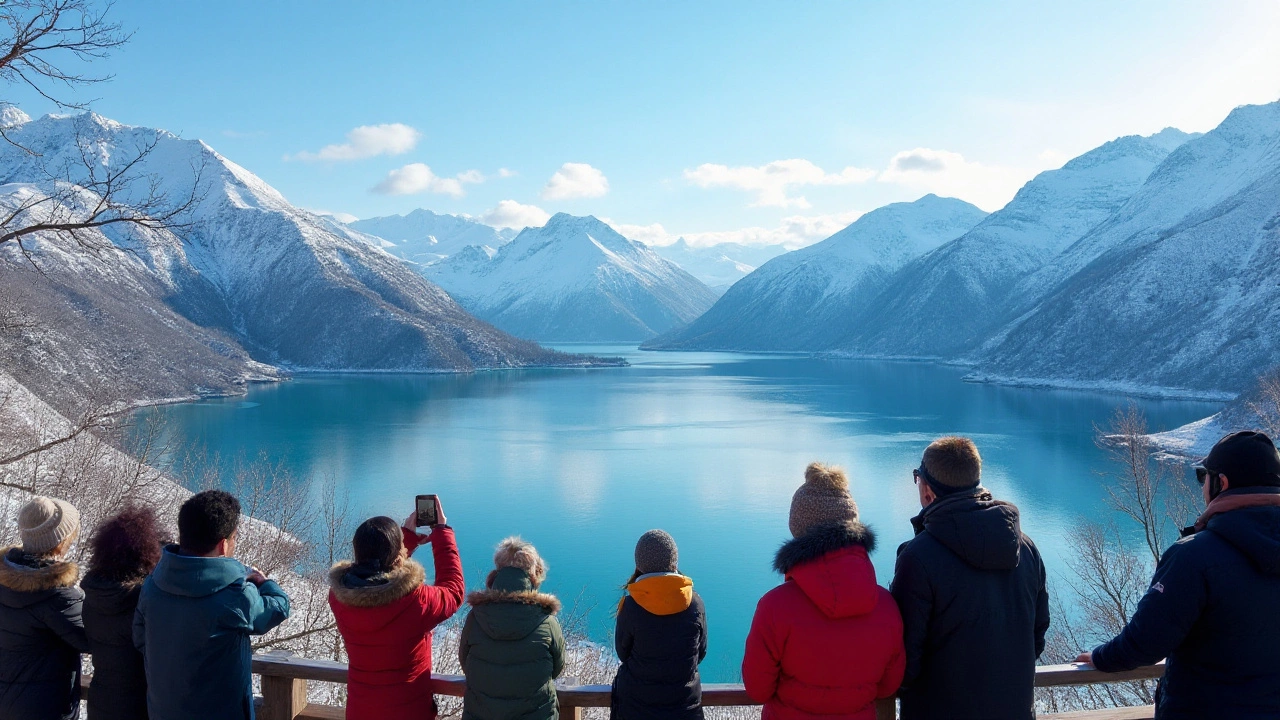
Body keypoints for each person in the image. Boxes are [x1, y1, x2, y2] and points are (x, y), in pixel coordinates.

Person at [1076, 430, 1280, 719]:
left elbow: (1145, 643)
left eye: (1202, 476)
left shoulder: (1194, 556)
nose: (1201, 486)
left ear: (1221, 482)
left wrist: (1100, 657)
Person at [890, 437, 1049, 720]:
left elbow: (905, 663)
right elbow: (1035, 638)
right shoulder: (1026, 548)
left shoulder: (918, 559)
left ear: (927, 490)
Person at [742, 463, 904, 720]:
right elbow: (888, 685)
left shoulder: (775, 606)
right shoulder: (886, 605)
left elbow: (758, 689)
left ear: (797, 529)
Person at [133, 490, 290, 720]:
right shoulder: (236, 595)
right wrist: (264, 582)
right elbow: (279, 607)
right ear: (223, 545)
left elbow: (139, 639)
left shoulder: (153, 586)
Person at [329, 497, 466, 720]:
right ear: (397, 556)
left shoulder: (339, 597)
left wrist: (405, 541)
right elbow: (453, 590)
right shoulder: (415, 601)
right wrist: (442, 532)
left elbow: (378, 572)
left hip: (361, 712)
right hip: (410, 712)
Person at [0, 496, 88, 720]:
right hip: (43, 709)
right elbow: (93, 639)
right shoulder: (58, 596)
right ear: (59, 542)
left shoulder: (4, 579)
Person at [459, 536, 566, 720]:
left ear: (497, 572)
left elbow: (465, 662)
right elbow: (557, 667)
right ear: (534, 575)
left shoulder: (476, 616)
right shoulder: (546, 620)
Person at [612, 530, 708, 720]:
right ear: (674, 561)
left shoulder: (631, 606)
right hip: (685, 710)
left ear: (639, 563)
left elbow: (623, 653)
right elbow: (700, 653)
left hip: (636, 710)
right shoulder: (695, 603)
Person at [83, 505, 165, 720]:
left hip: (101, 702)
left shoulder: (93, 595)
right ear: (145, 554)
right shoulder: (142, 601)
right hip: (139, 706)